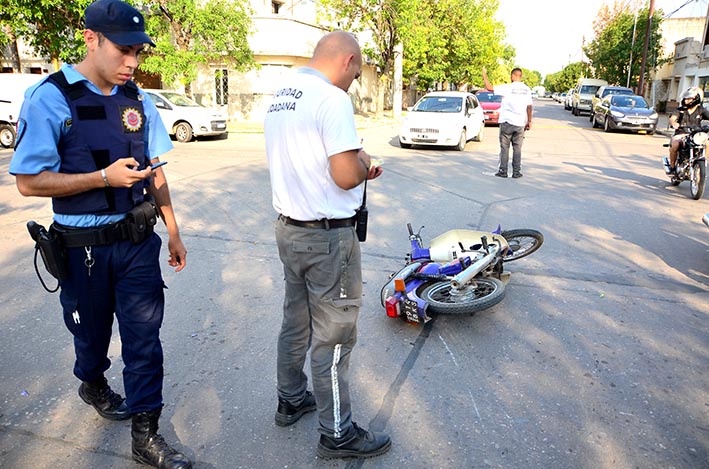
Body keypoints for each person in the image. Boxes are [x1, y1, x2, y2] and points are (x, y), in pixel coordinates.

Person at [9, 1, 191, 468]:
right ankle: (92, 381)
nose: (133, 62)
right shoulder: (51, 97)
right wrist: (102, 179)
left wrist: (173, 229)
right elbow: (29, 181)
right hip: (82, 251)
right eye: (124, 50)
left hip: (136, 245)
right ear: (91, 39)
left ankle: (146, 436)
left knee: (144, 341)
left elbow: (156, 171)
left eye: (139, 52)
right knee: (90, 340)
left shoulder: (140, 101)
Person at [263, 31, 391, 460]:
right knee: (334, 338)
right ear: (349, 60)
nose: (355, 80)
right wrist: (365, 163)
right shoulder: (332, 99)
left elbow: (319, 160)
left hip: (290, 229)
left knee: (295, 321)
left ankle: (290, 398)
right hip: (327, 238)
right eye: (357, 71)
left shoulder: (283, 94)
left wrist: (353, 159)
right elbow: (343, 174)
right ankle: (337, 433)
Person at [482, 67, 533, 178]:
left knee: (505, 148)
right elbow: (529, 106)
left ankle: (503, 171)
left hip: (507, 122)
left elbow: (489, 87)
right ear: (521, 76)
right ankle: (516, 172)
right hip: (520, 124)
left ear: (513, 76)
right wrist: (529, 121)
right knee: (517, 149)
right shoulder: (527, 89)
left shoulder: (507, 88)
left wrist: (484, 75)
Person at [665, 87, 709, 174]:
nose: (686, 100)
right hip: (681, 133)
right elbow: (672, 118)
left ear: (697, 98)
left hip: (696, 134)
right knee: (675, 143)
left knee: (707, 142)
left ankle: (704, 160)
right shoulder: (680, 110)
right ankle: (673, 167)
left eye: (689, 98)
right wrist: (674, 123)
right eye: (686, 98)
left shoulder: (701, 110)